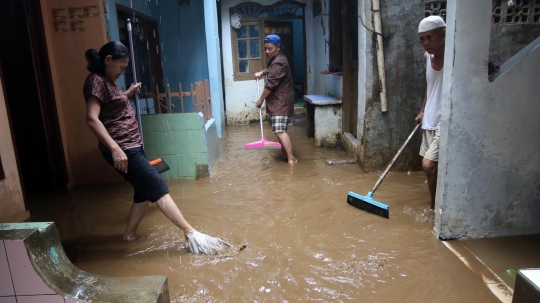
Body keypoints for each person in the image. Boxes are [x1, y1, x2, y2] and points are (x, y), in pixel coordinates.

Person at [83, 41, 228, 254]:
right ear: (107, 60)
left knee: (143, 191)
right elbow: (92, 118)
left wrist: (128, 93)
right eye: (120, 67)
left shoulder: (107, 81)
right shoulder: (95, 81)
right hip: (123, 149)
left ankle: (129, 236)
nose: (122, 72)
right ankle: (190, 233)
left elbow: (112, 106)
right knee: (157, 185)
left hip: (131, 145)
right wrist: (115, 149)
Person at [414, 16, 446, 209]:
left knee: (428, 165)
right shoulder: (427, 58)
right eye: (422, 39)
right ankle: (434, 208)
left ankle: (435, 207)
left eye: (430, 37)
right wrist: (422, 110)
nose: (426, 43)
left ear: (443, 35)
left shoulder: (454, 58)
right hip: (429, 119)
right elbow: (430, 87)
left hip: (446, 121)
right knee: (430, 169)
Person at [254, 34, 297, 164]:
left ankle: (291, 159)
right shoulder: (277, 59)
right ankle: (286, 155)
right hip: (278, 102)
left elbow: (271, 84)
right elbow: (272, 71)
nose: (267, 51)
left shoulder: (279, 61)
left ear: (278, 47)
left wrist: (260, 99)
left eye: (270, 48)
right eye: (265, 48)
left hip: (281, 103)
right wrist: (263, 72)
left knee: (279, 131)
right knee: (279, 131)